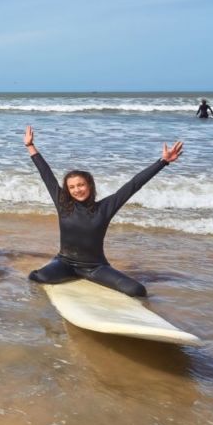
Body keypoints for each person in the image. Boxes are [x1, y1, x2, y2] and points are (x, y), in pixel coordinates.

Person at [24, 126, 183, 297]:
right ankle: (66, 275)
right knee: (37, 277)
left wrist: (163, 162)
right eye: (72, 187)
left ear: (89, 186)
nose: (77, 190)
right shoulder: (63, 204)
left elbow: (134, 185)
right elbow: (46, 174)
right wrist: (30, 146)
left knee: (137, 290)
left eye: (81, 185)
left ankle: (82, 277)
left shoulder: (105, 207)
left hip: (95, 267)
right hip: (65, 263)